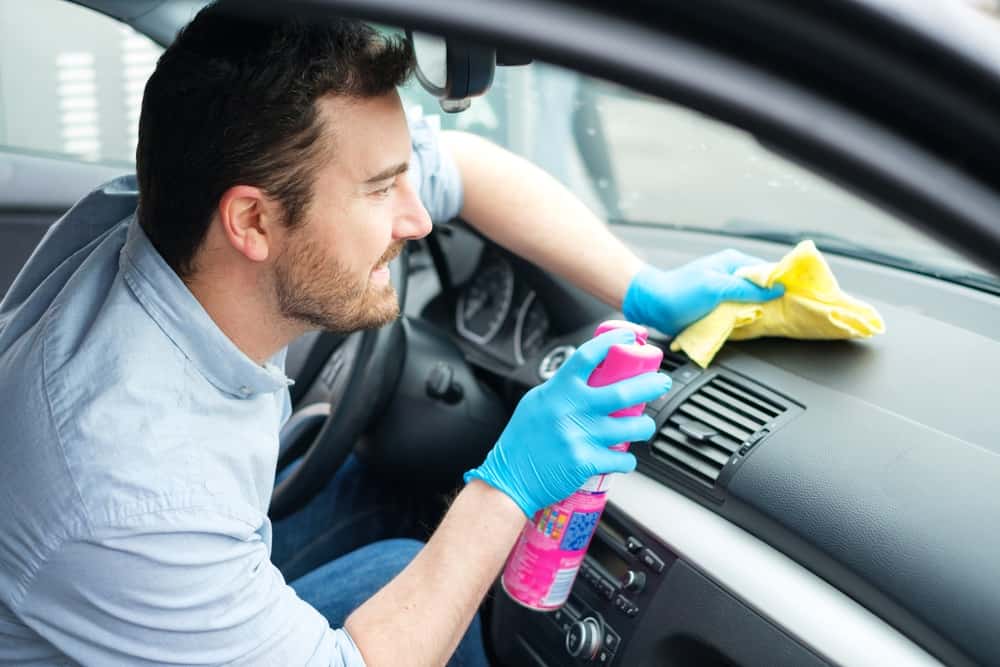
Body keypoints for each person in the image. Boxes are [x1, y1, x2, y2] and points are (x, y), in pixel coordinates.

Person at [0, 4, 783, 666]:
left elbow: (464, 171)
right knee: (421, 575)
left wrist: (640, 286)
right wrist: (509, 482)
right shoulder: (132, 486)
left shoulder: (178, 214)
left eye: (402, 175)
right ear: (252, 221)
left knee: (388, 516)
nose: (415, 217)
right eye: (380, 190)